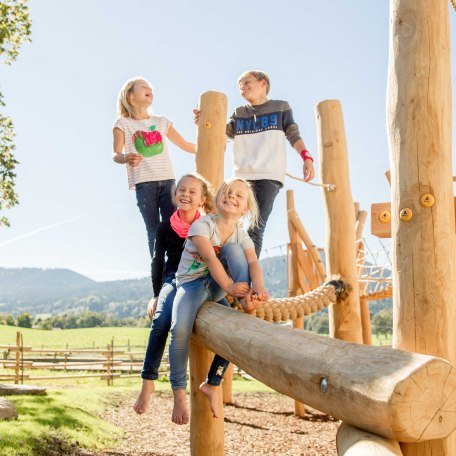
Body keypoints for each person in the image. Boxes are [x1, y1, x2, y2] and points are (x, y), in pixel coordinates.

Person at [170, 177, 269, 425]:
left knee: (235, 251)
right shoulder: (202, 225)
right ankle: (178, 394)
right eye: (227, 192)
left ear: (245, 208)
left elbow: (253, 262)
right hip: (192, 283)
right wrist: (230, 287)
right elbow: (211, 261)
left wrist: (257, 287)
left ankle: (212, 383)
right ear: (218, 197)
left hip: (214, 287)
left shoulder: (239, 233)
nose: (232, 197)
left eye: (239, 195)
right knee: (179, 329)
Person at [193, 70, 315, 258]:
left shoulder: (280, 107)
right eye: (240, 86)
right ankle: (224, 269)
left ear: (263, 83)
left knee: (255, 229)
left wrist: (306, 158)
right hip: (241, 175)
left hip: (269, 176)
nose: (243, 87)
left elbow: (293, 134)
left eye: (247, 82)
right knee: (227, 223)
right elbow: (218, 133)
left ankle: (247, 280)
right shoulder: (239, 113)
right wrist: (204, 120)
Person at [133, 173, 221, 415]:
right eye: (181, 190)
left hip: (201, 279)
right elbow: (157, 262)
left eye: (193, 192)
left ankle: (213, 382)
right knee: (161, 318)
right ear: (174, 195)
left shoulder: (208, 226)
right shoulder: (165, 226)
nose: (185, 194)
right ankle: (149, 382)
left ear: (202, 199)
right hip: (174, 278)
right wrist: (155, 293)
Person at [113, 76, 196, 289]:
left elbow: (185, 144)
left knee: (175, 225)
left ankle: (177, 269)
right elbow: (116, 154)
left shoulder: (161, 122)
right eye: (144, 87)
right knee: (154, 229)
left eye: (151, 87)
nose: (150, 89)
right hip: (144, 184)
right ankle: (159, 279)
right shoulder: (123, 124)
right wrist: (125, 158)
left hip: (168, 181)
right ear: (130, 96)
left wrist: (209, 146)